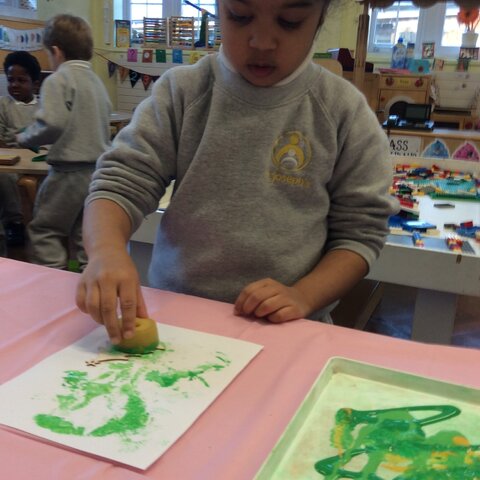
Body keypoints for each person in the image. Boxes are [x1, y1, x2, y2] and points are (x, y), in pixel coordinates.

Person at [76, 0, 398, 344]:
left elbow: (360, 235)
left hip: (286, 331)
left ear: (320, 17)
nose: (261, 42)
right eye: (240, 16)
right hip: (178, 323)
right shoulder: (182, 92)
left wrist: (304, 295)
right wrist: (107, 251)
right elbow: (118, 185)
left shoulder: (343, 110)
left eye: (289, 21)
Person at [17, 14, 112, 270]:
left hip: (68, 172)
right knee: (84, 234)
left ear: (56, 51)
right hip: (96, 172)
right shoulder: (96, 82)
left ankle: (52, 281)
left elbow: (52, 123)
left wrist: (24, 138)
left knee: (44, 230)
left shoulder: (58, 79)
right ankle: (88, 281)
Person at [0, 51, 42, 248]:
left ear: (35, 84)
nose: (14, 85)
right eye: (10, 80)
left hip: (39, 160)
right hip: (12, 161)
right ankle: (14, 223)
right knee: (5, 176)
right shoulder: (3, 105)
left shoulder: (45, 107)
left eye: (21, 80)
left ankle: (42, 225)